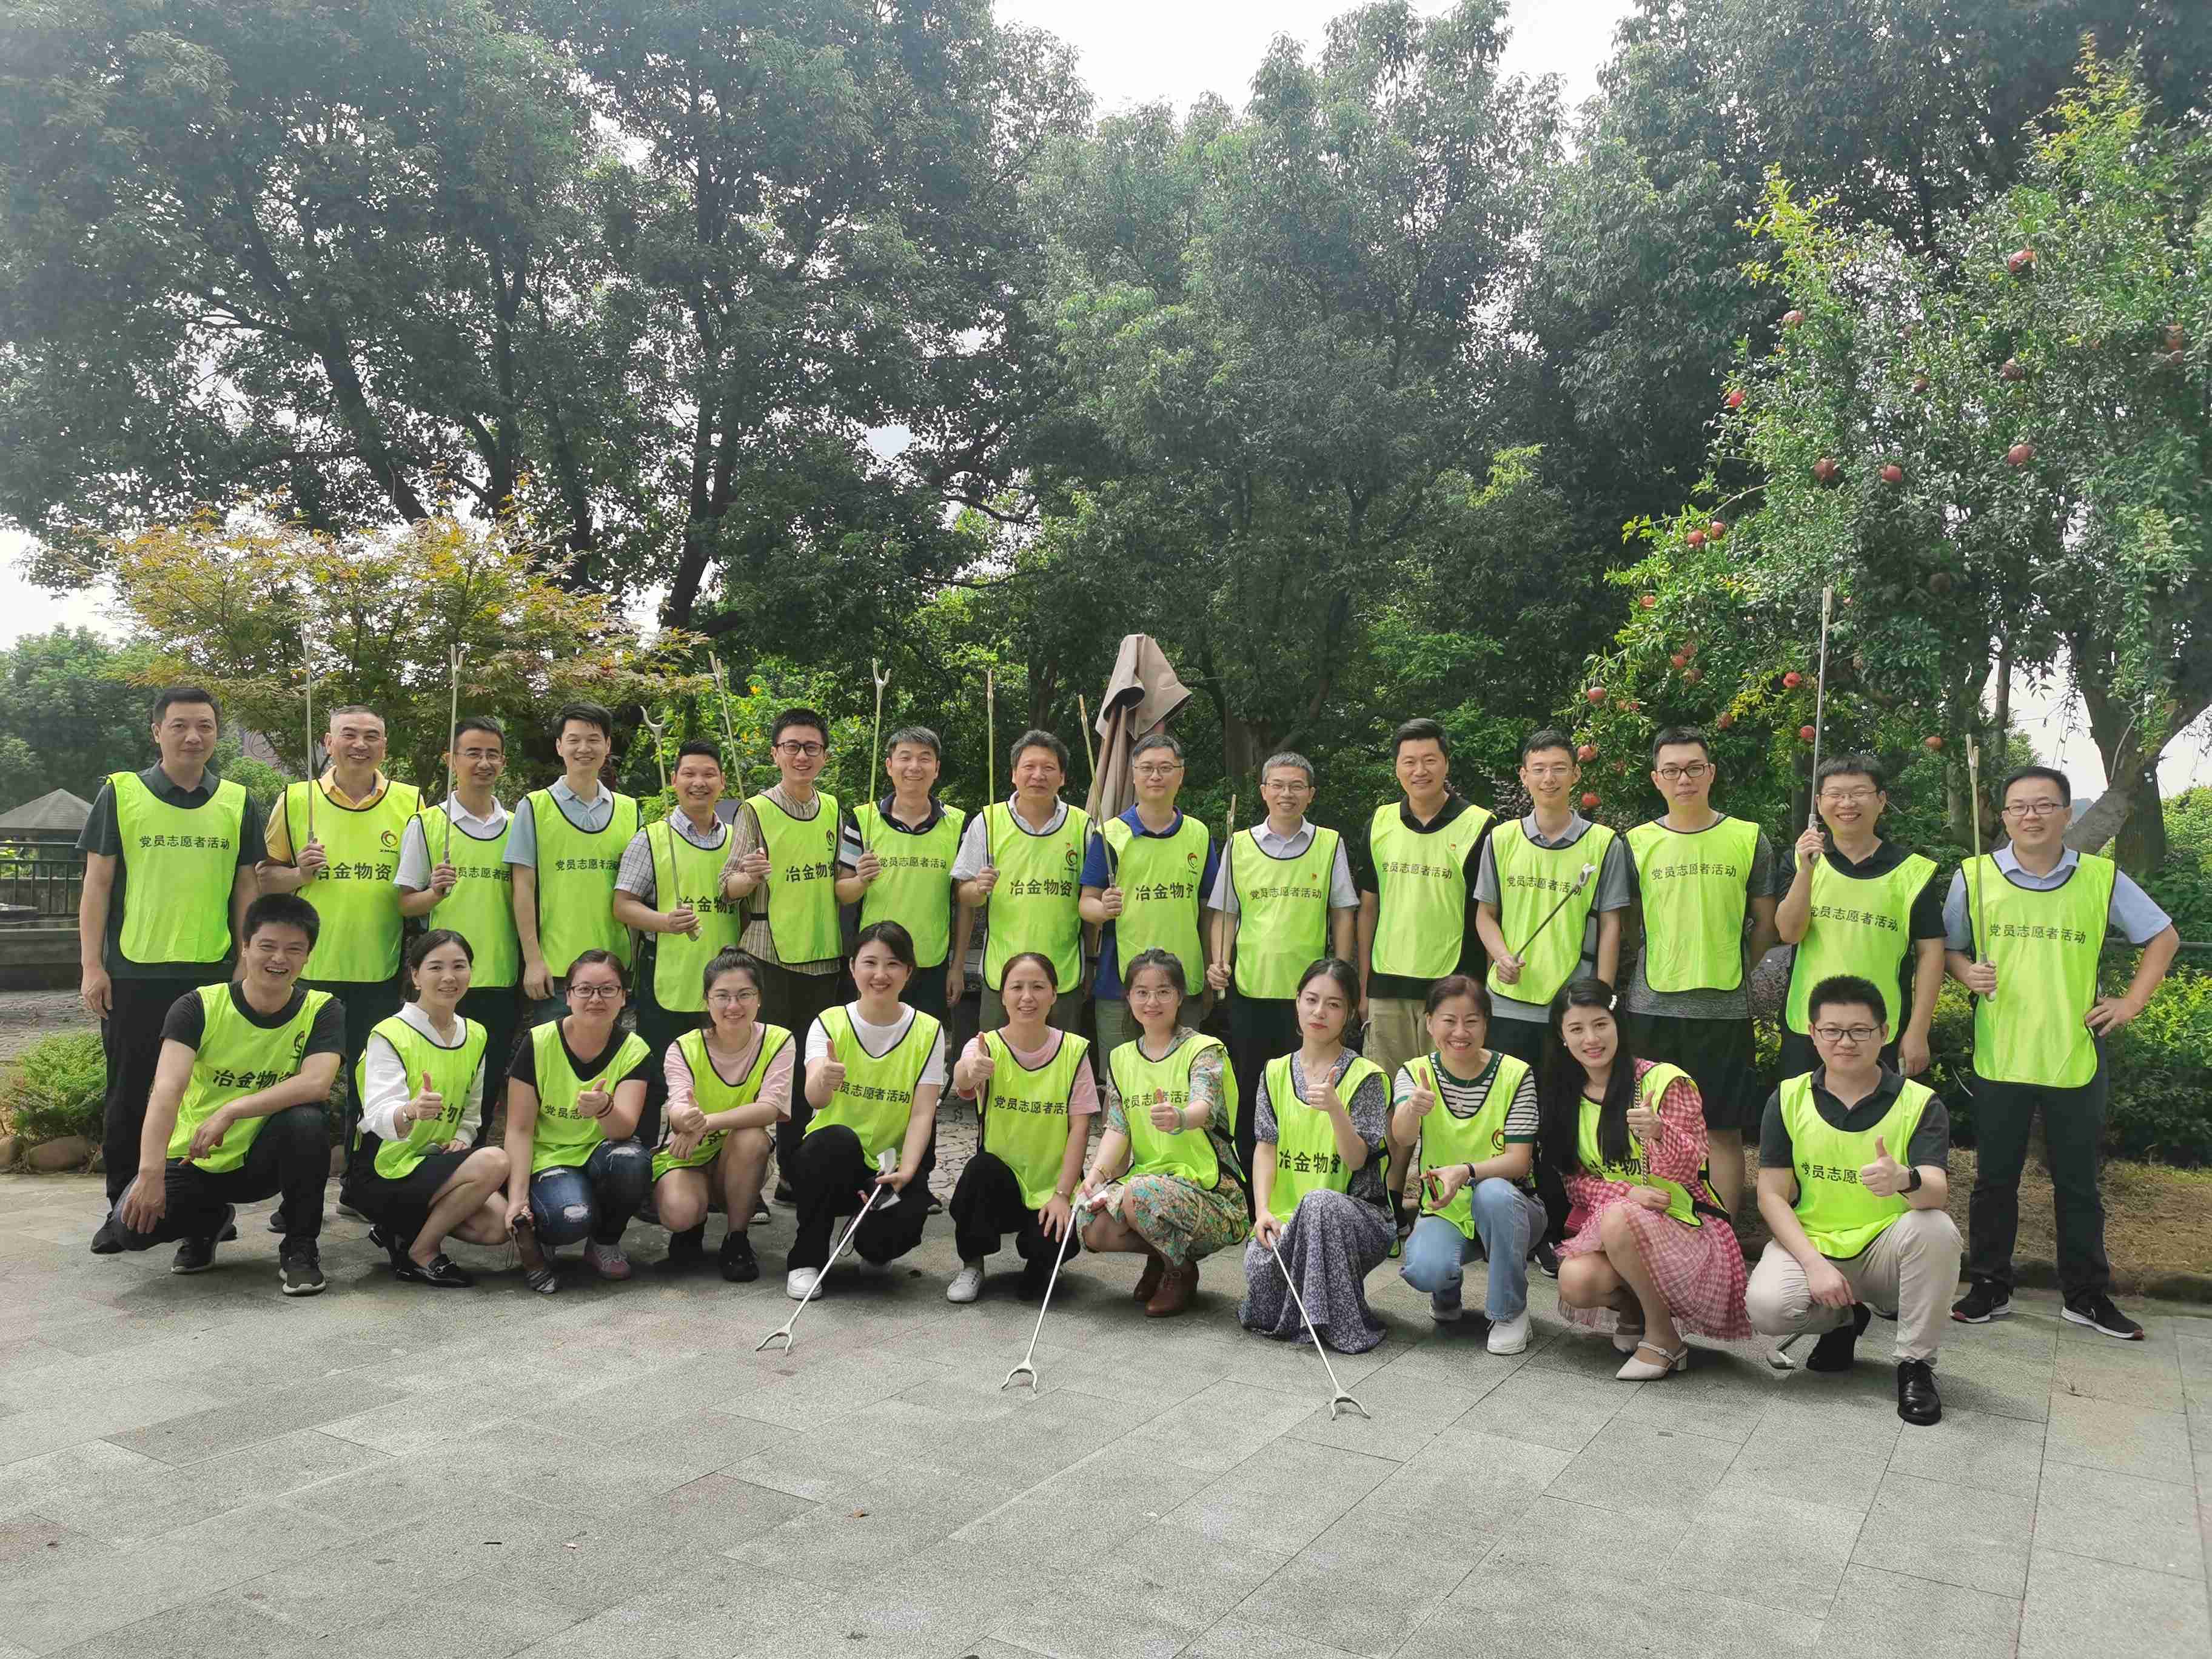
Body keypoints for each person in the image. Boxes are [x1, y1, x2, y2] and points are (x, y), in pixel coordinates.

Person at [1945, 765, 2180, 1340]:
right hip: (2001, 1053)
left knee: (2078, 1185)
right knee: (1993, 1181)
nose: (2031, 815)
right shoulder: (1975, 875)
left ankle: (2086, 1296)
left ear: (2066, 813)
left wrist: (2131, 1002)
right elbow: (1949, 948)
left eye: (2044, 805)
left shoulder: (2101, 877)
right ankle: (1989, 1285)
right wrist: (1965, 972)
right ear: (2004, 817)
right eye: (2019, 806)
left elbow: (2163, 937)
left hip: (2074, 1054)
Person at [81, 685, 266, 1254]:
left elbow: (246, 887)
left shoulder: (237, 800)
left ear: (217, 734)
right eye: (180, 725)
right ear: (157, 731)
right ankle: (121, 1204)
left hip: (211, 973)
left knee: (202, 1095)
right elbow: (97, 883)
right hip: (135, 971)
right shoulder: (121, 793)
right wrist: (92, 966)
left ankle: (206, 1214)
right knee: (130, 1092)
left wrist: (245, 962)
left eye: (205, 726)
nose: (193, 736)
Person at [1748, 975, 1958, 1426]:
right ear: (1813, 1033)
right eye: (1832, 1030)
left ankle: (1916, 1365)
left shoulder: (1919, 1103)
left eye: (1860, 1031)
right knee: (1767, 1307)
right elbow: (1771, 1195)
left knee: (1936, 1229)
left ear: (1884, 1033)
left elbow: (1937, 1192)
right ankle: (1844, 1321)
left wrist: (1904, 1179)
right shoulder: (1789, 1097)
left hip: (1888, 1250)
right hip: (1817, 1244)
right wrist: (1813, 1264)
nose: (1845, 1042)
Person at [107, 893, 341, 1296]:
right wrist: (150, 1173)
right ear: (245, 947)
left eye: (294, 949)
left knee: (307, 1121)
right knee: (130, 1231)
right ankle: (207, 1223)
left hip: (264, 1159)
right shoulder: (198, 1006)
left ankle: (300, 1246)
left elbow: (316, 1083)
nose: (279, 959)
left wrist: (233, 1109)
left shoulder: (322, 1009)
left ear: (307, 956)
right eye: (267, 946)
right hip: (195, 1156)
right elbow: (166, 1091)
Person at [259, 703, 422, 1230]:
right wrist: (298, 875)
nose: (360, 744)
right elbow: (265, 877)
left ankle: (359, 1186)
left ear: (384, 746)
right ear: (328, 743)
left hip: (380, 969)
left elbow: (418, 885)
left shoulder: (412, 802)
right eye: (348, 734)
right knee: (300, 1090)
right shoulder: (296, 799)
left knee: (372, 1086)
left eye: (371, 736)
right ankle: (294, 1198)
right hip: (309, 973)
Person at [1540, 977, 1750, 1378]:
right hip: (1623, 1225)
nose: (1591, 1039)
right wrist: (1627, 1193)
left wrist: (1658, 1132)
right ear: (1562, 1038)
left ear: (1618, 1023)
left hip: (1687, 1224)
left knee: (1618, 1216)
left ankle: (1662, 1337)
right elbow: (1573, 1182)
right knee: (1576, 1280)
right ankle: (1635, 1309)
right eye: (1577, 1029)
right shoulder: (1565, 1093)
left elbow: (1689, 1169)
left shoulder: (1663, 1080)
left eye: (1600, 1024)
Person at [1621, 726, 1778, 1221]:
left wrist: (1738, 966)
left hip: (1724, 1008)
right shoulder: (1636, 843)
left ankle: (1723, 1230)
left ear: (1710, 773)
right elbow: (1627, 922)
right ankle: (1657, 1223)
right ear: (1656, 779)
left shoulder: (1748, 838)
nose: (1683, 779)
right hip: (1652, 1006)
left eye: (1693, 768)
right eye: (1671, 770)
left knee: (1722, 1128)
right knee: (1647, 1122)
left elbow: (1766, 922)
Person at [1356, 717, 1493, 1234]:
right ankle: (1390, 1195)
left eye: (1429, 759)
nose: (1420, 770)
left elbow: (1488, 910)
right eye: (1409, 761)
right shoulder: (1379, 823)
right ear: (1396, 768)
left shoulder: (1480, 825)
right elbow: (1368, 908)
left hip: (1453, 989)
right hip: (1389, 985)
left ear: (1446, 763)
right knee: (1391, 1100)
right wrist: (1363, 984)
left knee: (1453, 1098)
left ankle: (1450, 1200)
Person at [1206, 751, 1359, 1197]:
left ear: (1311, 794)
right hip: (1251, 990)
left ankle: (1306, 1186)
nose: (1286, 794)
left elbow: (1342, 912)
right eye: (1277, 785)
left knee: (1307, 1092)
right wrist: (1219, 960)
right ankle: (1251, 1191)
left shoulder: (1329, 843)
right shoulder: (1239, 844)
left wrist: (1342, 975)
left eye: (1296, 786)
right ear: (1263, 792)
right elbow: (1226, 913)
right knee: (1253, 1092)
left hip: (1310, 1000)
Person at [1078, 949, 1246, 1318]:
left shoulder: (1204, 1050)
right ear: (1128, 997)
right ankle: (1161, 1252)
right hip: (1148, 1185)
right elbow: (1118, 1127)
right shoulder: (1121, 1058)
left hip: (1209, 1190)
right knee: (1089, 1223)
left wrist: (1181, 1117)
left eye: (1163, 992)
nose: (1151, 1002)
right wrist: (1095, 1176)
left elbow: (1203, 1104)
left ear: (1180, 997)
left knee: (1139, 1196)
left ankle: (1179, 1270)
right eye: (1142, 992)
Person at [341, 929, 512, 1287]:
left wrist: (463, 1136)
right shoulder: (389, 1033)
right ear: (416, 975)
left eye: (459, 966)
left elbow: (472, 1110)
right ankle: (422, 1251)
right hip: (383, 1168)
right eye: (436, 967)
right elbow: (377, 1116)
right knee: (495, 1161)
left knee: (497, 1227)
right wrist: (410, 1111)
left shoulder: (476, 1034)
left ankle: (401, 1228)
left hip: (434, 1162)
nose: (449, 977)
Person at [721, 708, 848, 1185]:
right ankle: (745, 1177)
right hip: (769, 955)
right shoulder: (755, 809)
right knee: (764, 1066)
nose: (801, 756)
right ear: (775, 753)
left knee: (809, 1068)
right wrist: (748, 877)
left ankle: (798, 1173)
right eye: (792, 746)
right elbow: (727, 886)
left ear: (825, 756)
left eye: (811, 747)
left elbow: (841, 882)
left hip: (823, 955)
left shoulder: (834, 808)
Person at [1239, 959, 1393, 1354]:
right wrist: (1262, 1211)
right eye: (1311, 1000)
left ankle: (1338, 1323)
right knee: (1260, 1290)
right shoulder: (1275, 1072)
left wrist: (1336, 1110)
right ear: (1297, 1002)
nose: (1319, 1012)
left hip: (1357, 1216)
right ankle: (1314, 1309)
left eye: (1334, 1004)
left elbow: (1357, 1160)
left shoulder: (1368, 1077)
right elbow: (1265, 1147)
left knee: (1319, 1203)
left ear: (1350, 1013)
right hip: (1286, 1216)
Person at [787, 922, 945, 1299]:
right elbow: (815, 1100)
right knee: (834, 1141)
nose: (880, 974)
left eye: (893, 964)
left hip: (889, 1165)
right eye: (870, 963)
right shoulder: (829, 1022)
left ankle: (873, 1244)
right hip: (833, 1162)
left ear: (908, 971)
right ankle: (806, 1259)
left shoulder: (928, 1030)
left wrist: (907, 1171)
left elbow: (923, 1113)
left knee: (896, 1231)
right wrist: (824, 1079)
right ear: (853, 968)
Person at [1392, 976, 1545, 1354]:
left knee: (1493, 1194)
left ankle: (1511, 1312)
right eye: (1449, 1020)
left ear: (1486, 1024)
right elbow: (1403, 1137)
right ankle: (1446, 1291)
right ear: (1430, 1023)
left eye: (1472, 1021)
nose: (1460, 1032)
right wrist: (1413, 1109)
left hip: (1513, 1208)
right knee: (1425, 1269)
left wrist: (1465, 1172)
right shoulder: (1414, 1073)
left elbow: (1519, 1161)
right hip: (1445, 1209)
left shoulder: (1516, 1074)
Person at [1775, 755, 1943, 1079]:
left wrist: (1918, 1031)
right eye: (1836, 794)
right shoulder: (1799, 861)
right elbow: (1790, 933)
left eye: (1859, 793)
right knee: (1804, 1109)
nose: (1847, 803)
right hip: (1809, 1026)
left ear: (1881, 800)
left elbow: (1931, 954)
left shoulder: (1913, 872)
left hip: (1881, 1029)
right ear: (1819, 803)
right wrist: (1806, 871)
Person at [396, 715, 521, 1142]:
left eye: (492, 755)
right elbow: (404, 902)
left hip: (501, 977)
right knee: (434, 1082)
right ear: (451, 759)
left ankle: (473, 1163)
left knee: (484, 1087)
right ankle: (423, 1164)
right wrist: (434, 893)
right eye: (472, 753)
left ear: (503, 762)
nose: (483, 763)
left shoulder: (518, 826)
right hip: (443, 981)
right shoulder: (428, 823)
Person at [945, 951, 1096, 1302]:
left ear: (1054, 994)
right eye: (1017, 987)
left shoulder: (1074, 1051)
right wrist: (971, 1070)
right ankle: (972, 1264)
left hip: (1051, 1187)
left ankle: (1043, 1264)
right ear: (1003, 995)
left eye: (1038, 987)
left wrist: (1063, 1195)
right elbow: (963, 1075)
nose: (1027, 997)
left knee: (1047, 1262)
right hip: (1001, 1183)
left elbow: (1080, 1129)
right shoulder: (985, 1045)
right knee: (978, 1171)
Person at [1474, 729, 1629, 1068]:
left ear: (1576, 774)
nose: (1549, 778)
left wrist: (1601, 998)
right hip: (1508, 1000)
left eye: (1559, 768)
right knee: (1511, 1095)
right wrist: (1501, 957)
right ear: (1524, 776)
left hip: (1573, 1005)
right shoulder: (1501, 839)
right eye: (1539, 769)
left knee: (1566, 1097)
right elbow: (1485, 915)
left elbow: (1611, 925)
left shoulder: (1604, 843)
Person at [501, 949, 652, 1291]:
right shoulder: (539, 1042)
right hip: (550, 1159)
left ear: (624, 997)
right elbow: (519, 1129)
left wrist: (604, 1108)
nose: (596, 999)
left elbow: (624, 1129)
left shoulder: (634, 1049)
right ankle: (544, 1228)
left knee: (632, 1161)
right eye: (584, 989)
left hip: (602, 1154)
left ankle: (604, 1242)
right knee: (570, 1219)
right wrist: (517, 1199)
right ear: (568, 996)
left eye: (608, 989)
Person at [614, 740, 742, 1102]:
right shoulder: (651, 839)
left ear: (723, 782)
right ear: (674, 780)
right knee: (659, 1083)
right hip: (667, 978)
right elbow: (623, 906)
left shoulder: (737, 840)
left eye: (709, 774)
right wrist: (665, 922)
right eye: (689, 774)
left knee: (719, 1084)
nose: (699, 782)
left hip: (727, 984)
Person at [1081, 732, 1221, 1061]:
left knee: (1183, 1074)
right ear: (1134, 775)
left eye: (1165, 768)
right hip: (1121, 984)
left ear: (1181, 775)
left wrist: (1210, 969)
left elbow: (1209, 910)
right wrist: (1103, 909)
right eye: (1147, 768)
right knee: (1120, 1077)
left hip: (1184, 982)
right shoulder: (1110, 834)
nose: (1156, 776)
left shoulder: (1199, 834)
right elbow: (1086, 903)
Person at [653, 948, 790, 1284]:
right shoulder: (683, 1047)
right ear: (707, 1000)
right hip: (688, 1155)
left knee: (753, 1137)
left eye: (744, 995)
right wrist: (686, 1119)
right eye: (723, 996)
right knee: (680, 1212)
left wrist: (707, 1123)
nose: (733, 1006)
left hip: (739, 1158)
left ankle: (737, 1240)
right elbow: (678, 1105)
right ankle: (692, 1225)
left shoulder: (779, 1040)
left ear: (759, 998)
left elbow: (770, 1108)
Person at [953, 729, 1091, 1033]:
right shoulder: (988, 821)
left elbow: (1090, 898)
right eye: (1029, 767)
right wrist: (979, 889)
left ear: (1062, 777)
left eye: (1048, 768)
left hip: (1064, 974)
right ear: (1014, 774)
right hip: (1002, 974)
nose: (1038, 775)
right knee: (995, 1058)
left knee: (1062, 1058)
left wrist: (1091, 963)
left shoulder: (1082, 825)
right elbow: (964, 894)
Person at [509, 702, 640, 1017]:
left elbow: (636, 891)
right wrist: (533, 960)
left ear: (607, 745)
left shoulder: (629, 810)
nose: (584, 748)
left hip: (615, 967)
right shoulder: (535, 807)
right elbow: (523, 886)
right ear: (559, 746)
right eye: (574, 740)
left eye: (594, 740)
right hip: (558, 969)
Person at [838, 725, 967, 1025]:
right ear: (889, 765)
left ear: (936, 768)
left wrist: (958, 966)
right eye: (905, 757)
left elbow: (964, 903)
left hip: (931, 962)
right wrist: (860, 880)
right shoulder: (863, 820)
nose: (914, 766)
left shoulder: (958, 824)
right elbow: (843, 892)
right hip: (876, 964)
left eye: (924, 758)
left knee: (924, 1045)